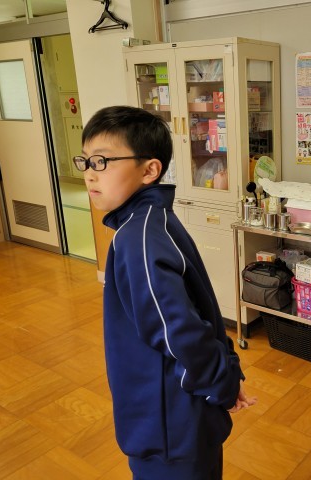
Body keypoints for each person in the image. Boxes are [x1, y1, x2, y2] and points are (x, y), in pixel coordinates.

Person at [75, 105, 256, 479]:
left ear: (149, 170)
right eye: (87, 161)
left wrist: (222, 383)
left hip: (168, 428)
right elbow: (197, 312)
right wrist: (225, 375)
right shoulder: (152, 221)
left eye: (102, 161)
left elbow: (179, 330)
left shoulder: (137, 238)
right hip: (180, 419)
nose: (90, 174)